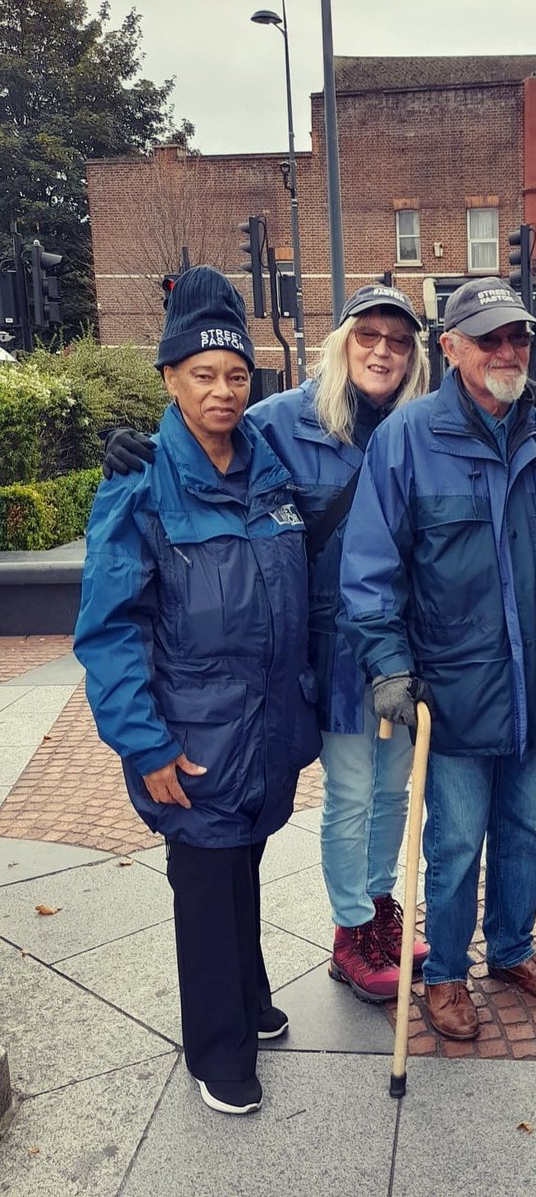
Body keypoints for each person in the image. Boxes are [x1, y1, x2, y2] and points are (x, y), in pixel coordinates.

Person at [103, 284, 434, 1003]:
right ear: (342, 342)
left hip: (408, 649)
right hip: (333, 653)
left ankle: (380, 908)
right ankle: (353, 931)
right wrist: (140, 452)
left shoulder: (423, 427)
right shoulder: (282, 421)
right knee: (352, 793)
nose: (383, 350)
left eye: (399, 340)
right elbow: (207, 445)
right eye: (368, 335)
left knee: (394, 794)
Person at [75, 267, 321, 1116]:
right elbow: (109, 629)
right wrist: (143, 746)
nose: (222, 391)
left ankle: (246, 1002)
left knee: (240, 870)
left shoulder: (272, 473)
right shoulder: (139, 485)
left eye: (236, 375)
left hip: (267, 731)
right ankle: (216, 1052)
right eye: (203, 375)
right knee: (206, 887)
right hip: (192, 738)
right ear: (171, 378)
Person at [338, 278, 536, 1042]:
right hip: (450, 693)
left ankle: (511, 948)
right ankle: (444, 972)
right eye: (488, 339)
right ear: (449, 347)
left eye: (518, 338)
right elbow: (371, 566)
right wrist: (387, 663)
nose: (507, 351)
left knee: (523, 832)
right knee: (454, 841)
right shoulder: (408, 438)